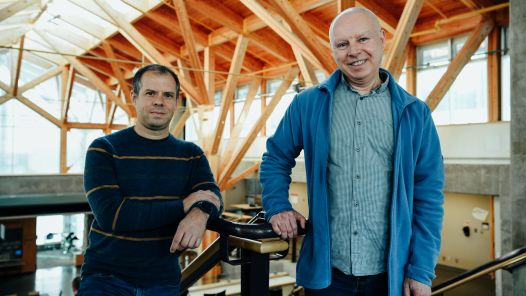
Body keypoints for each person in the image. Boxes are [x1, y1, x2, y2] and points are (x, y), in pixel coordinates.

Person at [260, 7, 444, 296]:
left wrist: (420, 270)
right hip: (328, 275)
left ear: (382, 39)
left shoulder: (415, 113)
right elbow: (276, 157)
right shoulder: (308, 104)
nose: (354, 51)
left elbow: (428, 196)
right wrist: (278, 205)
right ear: (333, 50)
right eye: (342, 44)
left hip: (389, 276)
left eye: (363, 39)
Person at [78, 64, 222, 296]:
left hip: (162, 281)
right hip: (106, 279)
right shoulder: (104, 149)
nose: (159, 101)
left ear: (176, 102)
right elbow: (112, 215)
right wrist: (184, 205)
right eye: (150, 93)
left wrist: (200, 213)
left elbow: (212, 197)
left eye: (167, 95)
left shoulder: (191, 154)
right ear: (134, 97)